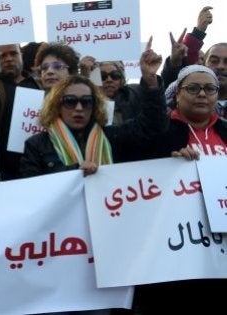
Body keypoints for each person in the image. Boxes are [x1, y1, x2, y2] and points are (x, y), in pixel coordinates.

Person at [131, 65, 226, 313]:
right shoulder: (160, 131)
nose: (202, 94)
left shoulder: (225, 130)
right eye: (193, 88)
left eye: (209, 89)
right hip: (176, 246)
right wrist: (168, 161)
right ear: (177, 94)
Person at [20, 39, 166, 178]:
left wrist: (150, 80)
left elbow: (151, 126)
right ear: (57, 105)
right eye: (70, 101)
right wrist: (75, 173)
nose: (78, 108)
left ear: (95, 106)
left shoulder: (112, 137)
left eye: (87, 102)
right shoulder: (36, 146)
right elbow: (33, 190)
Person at [0, 43, 41, 180]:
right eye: (3, 56)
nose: (8, 59)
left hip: (35, 162)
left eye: (13, 54)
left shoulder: (39, 84)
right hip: (1, 166)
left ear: (21, 55)